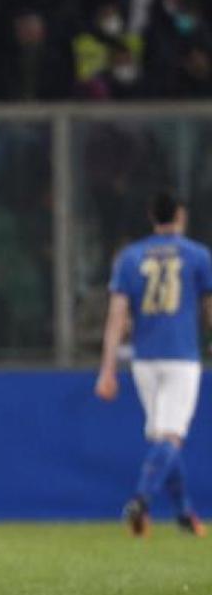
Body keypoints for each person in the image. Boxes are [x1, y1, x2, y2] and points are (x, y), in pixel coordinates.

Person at [95, 191, 211, 538]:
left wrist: (108, 368)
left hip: (144, 361)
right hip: (181, 357)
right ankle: (140, 500)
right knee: (171, 438)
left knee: (163, 436)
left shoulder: (130, 258)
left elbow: (116, 317)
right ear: (180, 215)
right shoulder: (198, 256)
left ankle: (183, 514)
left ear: (151, 215)